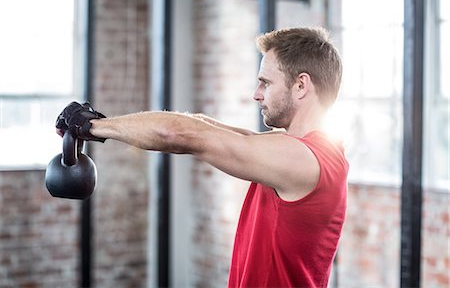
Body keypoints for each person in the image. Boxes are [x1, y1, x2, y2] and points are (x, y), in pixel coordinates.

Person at [56, 26, 348, 288]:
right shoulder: (296, 148)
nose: (256, 94)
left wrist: (93, 126)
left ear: (301, 85)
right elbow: (206, 127)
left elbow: (182, 135)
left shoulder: (305, 160)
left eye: (266, 83)